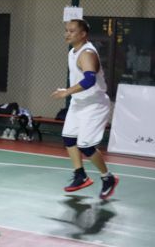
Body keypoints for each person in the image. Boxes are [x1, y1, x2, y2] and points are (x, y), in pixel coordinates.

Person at [51, 19, 118, 199]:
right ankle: (80, 175)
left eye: (72, 31)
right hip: (79, 102)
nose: (67, 33)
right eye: (66, 30)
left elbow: (89, 80)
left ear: (83, 34)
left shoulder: (87, 53)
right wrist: (70, 93)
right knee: (69, 138)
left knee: (86, 145)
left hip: (94, 104)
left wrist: (66, 92)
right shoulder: (72, 51)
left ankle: (108, 178)